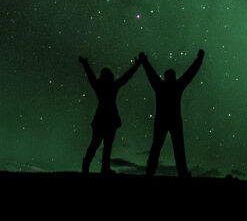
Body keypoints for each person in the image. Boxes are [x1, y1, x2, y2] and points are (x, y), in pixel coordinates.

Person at [139, 49, 204, 177]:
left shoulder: (160, 86)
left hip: (161, 120)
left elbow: (150, 73)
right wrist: (199, 60)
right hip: (174, 120)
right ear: (173, 77)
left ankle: (150, 171)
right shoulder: (177, 86)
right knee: (178, 148)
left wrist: (144, 61)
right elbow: (190, 73)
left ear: (165, 77)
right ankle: (182, 173)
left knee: (156, 147)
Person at [79, 55, 141, 174]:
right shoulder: (113, 86)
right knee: (107, 145)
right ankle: (103, 168)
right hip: (111, 118)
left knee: (95, 143)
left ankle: (87, 166)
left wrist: (85, 65)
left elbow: (91, 77)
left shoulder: (100, 87)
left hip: (101, 118)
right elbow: (126, 77)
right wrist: (137, 65)